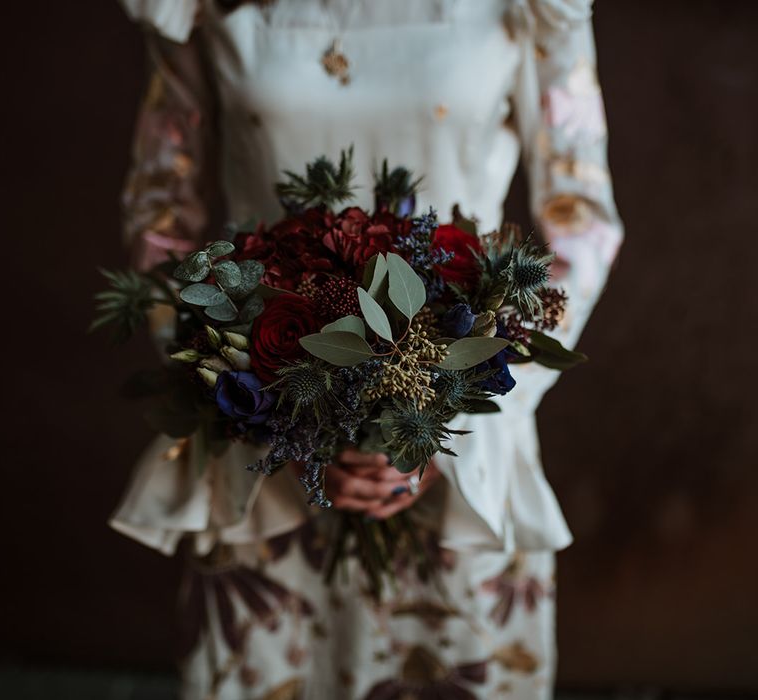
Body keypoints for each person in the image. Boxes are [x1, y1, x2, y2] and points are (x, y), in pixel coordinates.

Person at [111, 1, 623, 698]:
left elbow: (580, 222)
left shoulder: (536, 8)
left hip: (468, 459)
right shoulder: (201, 8)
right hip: (259, 452)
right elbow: (162, 212)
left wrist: (470, 409)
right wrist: (243, 387)